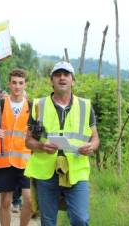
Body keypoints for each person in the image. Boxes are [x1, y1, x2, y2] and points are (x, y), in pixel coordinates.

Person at [25, 61, 100, 226]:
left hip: (77, 170)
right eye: (57, 75)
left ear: (73, 80)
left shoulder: (85, 106)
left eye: (66, 75)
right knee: (48, 221)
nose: (62, 78)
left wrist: (91, 146)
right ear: (51, 81)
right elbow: (28, 141)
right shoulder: (39, 105)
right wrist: (41, 146)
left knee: (81, 219)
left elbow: (95, 138)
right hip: (45, 171)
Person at [0, 69, 32, 226]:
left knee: (29, 200)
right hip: (4, 160)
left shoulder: (32, 106)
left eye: (20, 83)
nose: (17, 86)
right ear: (9, 84)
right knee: (5, 202)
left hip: (26, 160)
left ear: (25, 84)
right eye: (14, 83)